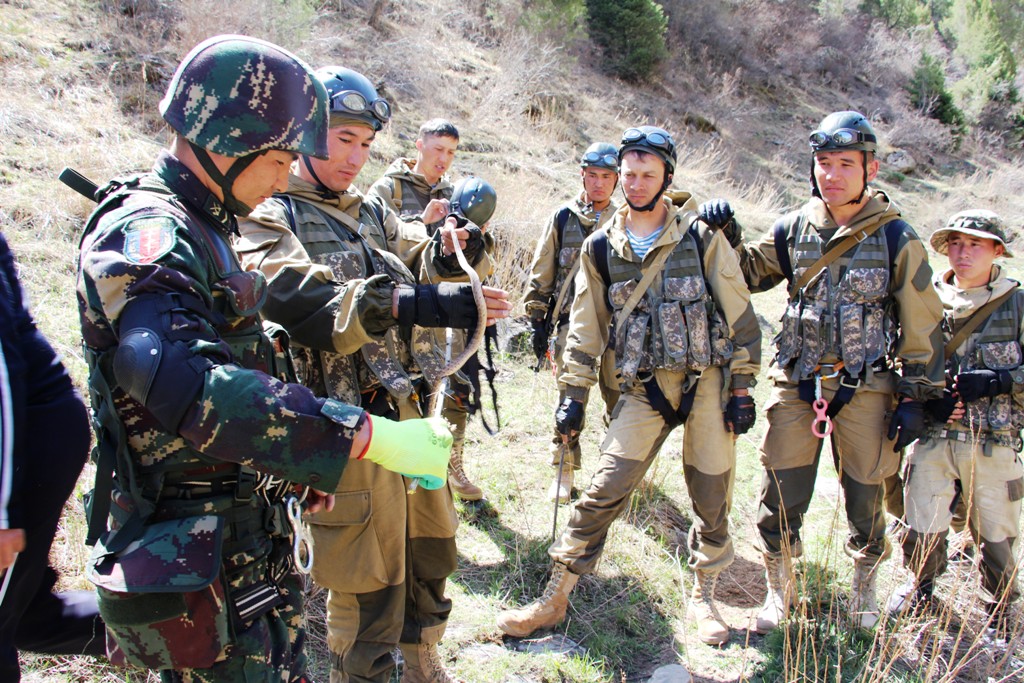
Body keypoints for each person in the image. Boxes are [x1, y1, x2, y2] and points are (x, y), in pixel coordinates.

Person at [74, 36, 452, 683]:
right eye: (278, 159)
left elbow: (244, 361)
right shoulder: (150, 235)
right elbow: (191, 386)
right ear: (228, 143)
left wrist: (290, 468)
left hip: (240, 542)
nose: (283, 177)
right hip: (189, 552)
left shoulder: (209, 225)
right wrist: (362, 435)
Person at [235, 67, 505, 683]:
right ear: (305, 133)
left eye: (365, 143)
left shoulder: (369, 210)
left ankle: (423, 661)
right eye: (342, 139)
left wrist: (452, 250)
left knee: (431, 548)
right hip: (344, 426)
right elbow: (294, 298)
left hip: (408, 411)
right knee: (367, 578)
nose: (355, 158)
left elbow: (417, 250)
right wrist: (415, 303)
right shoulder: (267, 212)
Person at [496, 126, 761, 646]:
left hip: (707, 381)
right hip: (644, 387)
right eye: (630, 174)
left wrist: (742, 388)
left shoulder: (701, 239)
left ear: (667, 178)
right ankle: (555, 597)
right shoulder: (600, 247)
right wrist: (573, 396)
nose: (637, 184)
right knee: (603, 488)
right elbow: (586, 327)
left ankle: (704, 595)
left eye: (648, 175)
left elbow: (741, 318)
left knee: (711, 496)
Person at [714, 111, 944, 631]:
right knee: (779, 490)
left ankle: (863, 589)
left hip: (868, 387)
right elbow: (747, 274)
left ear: (870, 169)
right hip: (797, 382)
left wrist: (914, 397)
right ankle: (780, 593)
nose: (832, 175)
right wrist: (727, 234)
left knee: (867, 494)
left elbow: (923, 320)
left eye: (845, 164)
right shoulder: (793, 227)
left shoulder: (896, 237)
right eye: (824, 163)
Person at [889, 210, 1023, 628]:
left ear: (996, 251)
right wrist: (927, 401)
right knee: (920, 526)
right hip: (935, 437)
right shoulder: (925, 301)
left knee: (997, 536)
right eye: (956, 244)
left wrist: (1001, 380)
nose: (963, 253)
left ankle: (999, 611)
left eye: (975, 245)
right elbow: (898, 358)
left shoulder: (1017, 304)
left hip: (994, 441)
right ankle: (921, 591)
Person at [0, 233, 105, 682]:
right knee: (28, 619)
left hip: (25, 437)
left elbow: (2, 378)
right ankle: (181, 626)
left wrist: (2, 514)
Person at [367, 119, 486, 501]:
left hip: (447, 312)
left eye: (451, 152)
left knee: (456, 388)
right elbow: (373, 247)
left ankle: (453, 466)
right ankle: (406, 473)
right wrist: (423, 222)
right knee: (409, 392)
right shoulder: (388, 189)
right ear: (419, 145)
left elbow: (475, 251)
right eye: (438, 149)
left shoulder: (455, 193)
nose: (444, 159)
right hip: (402, 312)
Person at [523, 142, 622, 503]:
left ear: (616, 180)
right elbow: (543, 268)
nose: (599, 183)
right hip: (572, 325)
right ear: (582, 175)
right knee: (570, 401)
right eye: (592, 175)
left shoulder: (626, 219)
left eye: (606, 177)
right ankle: (563, 469)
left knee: (621, 401)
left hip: (619, 326)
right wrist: (537, 318)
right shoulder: (563, 218)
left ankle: (615, 471)